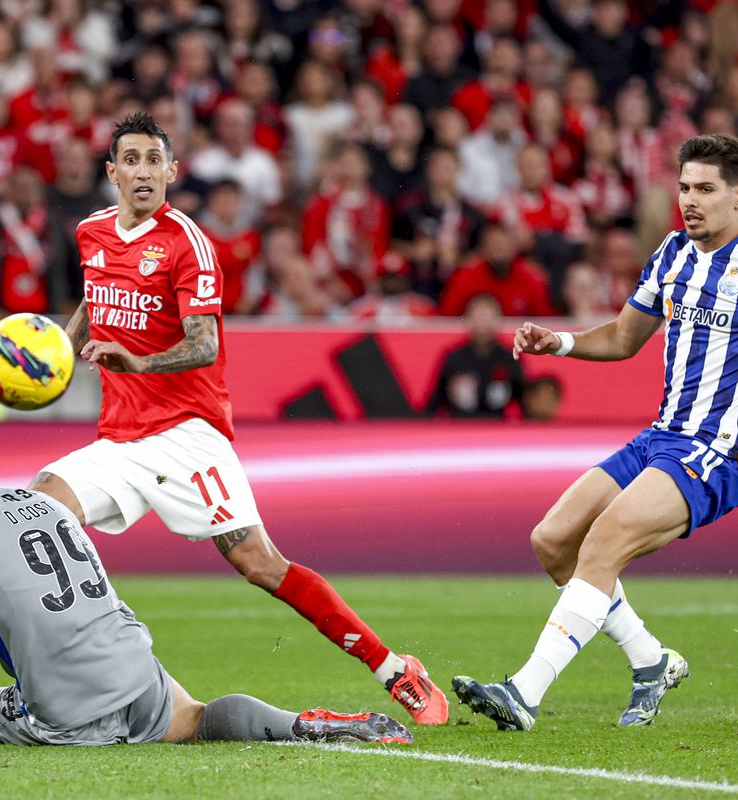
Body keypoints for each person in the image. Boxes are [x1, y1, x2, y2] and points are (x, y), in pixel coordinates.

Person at [28, 112, 448, 726]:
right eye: (131, 160)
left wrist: (135, 360)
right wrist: (58, 349)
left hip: (188, 435)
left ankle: (393, 669)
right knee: (39, 515)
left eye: (154, 160)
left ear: (171, 171)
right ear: (111, 171)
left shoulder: (188, 244)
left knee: (259, 564)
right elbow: (95, 299)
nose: (143, 171)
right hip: (118, 439)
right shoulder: (91, 232)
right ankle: (62, 685)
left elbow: (203, 343)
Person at [453, 133, 738, 731]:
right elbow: (624, 338)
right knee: (553, 541)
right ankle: (651, 661)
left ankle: (523, 693)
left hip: (716, 451)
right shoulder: (672, 252)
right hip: (660, 438)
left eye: (705, 189)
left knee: (600, 544)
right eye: (683, 188)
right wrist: (562, 342)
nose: (689, 201)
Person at [0, 411, 412, 750]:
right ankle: (304, 725)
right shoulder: (48, 504)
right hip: (137, 670)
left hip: (69, 711)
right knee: (195, 717)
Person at [427, 293, 526, 419]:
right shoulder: (454, 357)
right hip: (459, 428)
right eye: (478, 316)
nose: (483, 324)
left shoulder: (510, 357)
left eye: (488, 317)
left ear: (498, 320)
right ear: (467, 319)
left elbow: (525, 402)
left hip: (498, 429)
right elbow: (434, 403)